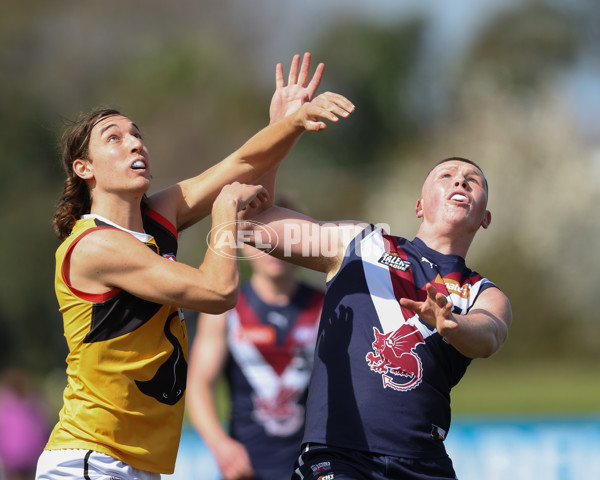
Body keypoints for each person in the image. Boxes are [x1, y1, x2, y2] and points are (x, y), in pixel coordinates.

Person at [35, 53, 355, 480]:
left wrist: (285, 124)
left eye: (138, 135)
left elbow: (241, 167)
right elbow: (217, 292)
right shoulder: (94, 245)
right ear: (84, 168)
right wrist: (224, 215)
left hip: (131, 462)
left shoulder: (155, 218)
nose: (135, 143)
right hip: (90, 458)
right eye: (114, 138)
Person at [244, 157, 512, 479]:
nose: (460, 182)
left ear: (485, 217)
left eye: (474, 180)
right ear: (419, 206)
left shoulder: (480, 291)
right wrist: (284, 129)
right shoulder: (363, 244)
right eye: (446, 175)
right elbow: (254, 224)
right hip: (339, 455)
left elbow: (490, 334)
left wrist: (449, 323)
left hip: (423, 463)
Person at [187, 196, 324, 480]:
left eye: (285, 237)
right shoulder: (223, 308)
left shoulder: (328, 307)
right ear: (244, 245)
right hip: (246, 469)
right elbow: (198, 383)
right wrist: (220, 445)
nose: (273, 248)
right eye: (262, 237)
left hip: (317, 466)